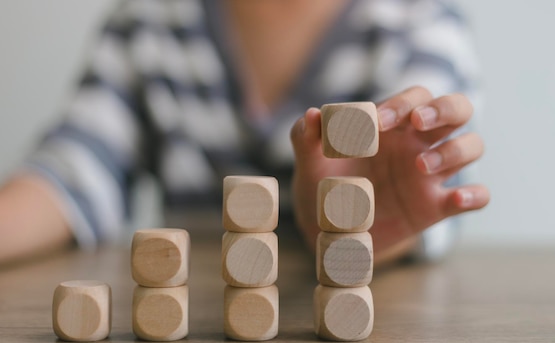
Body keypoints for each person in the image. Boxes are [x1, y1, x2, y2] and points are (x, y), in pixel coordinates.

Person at [0, 0, 489, 266]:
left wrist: (355, 230)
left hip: (368, 309)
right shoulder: (148, 21)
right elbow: (73, 171)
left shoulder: (419, 22)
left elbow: (428, 186)